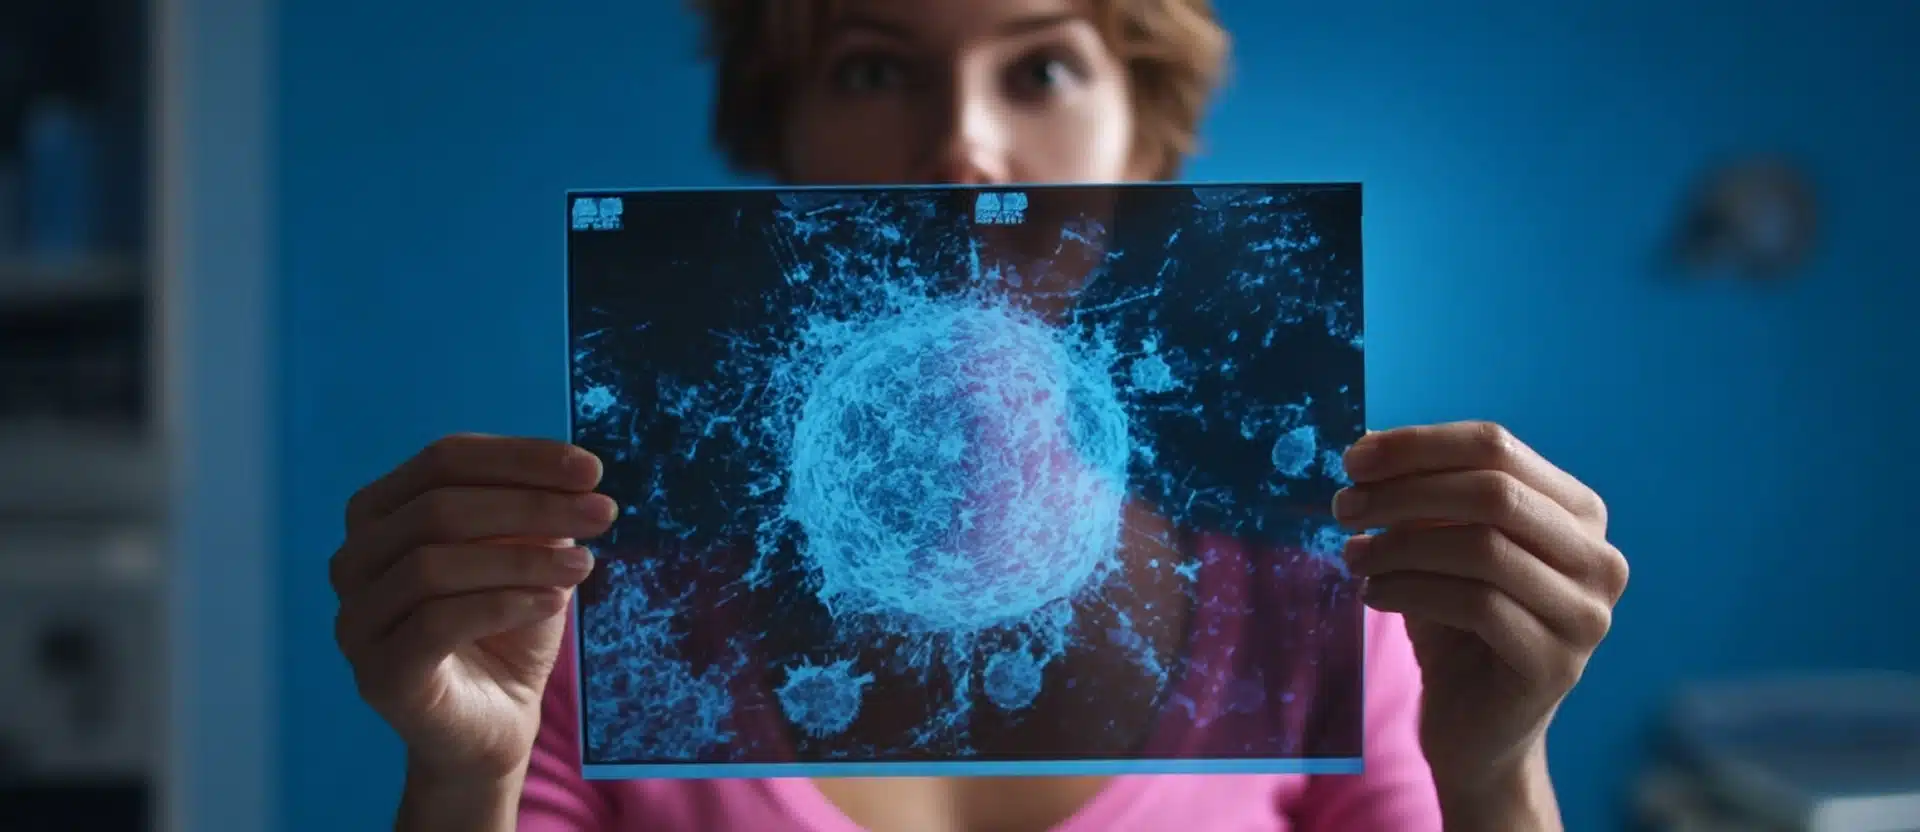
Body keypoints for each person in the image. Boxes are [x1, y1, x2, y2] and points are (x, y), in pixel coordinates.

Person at [327, 0, 1632, 829]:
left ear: (1145, 148)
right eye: (874, 66)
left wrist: (1497, 771)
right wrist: (460, 780)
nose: (962, 150)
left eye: (1044, 65)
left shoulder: (1327, 620)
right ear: (780, 144)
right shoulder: (590, 634)